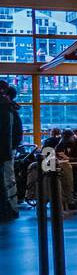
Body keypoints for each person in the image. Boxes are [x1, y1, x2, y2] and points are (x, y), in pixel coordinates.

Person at [0, 81, 17, 220]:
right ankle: (9, 208)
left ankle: (8, 209)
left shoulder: (4, 107)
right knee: (6, 180)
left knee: (5, 179)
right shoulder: (9, 108)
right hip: (6, 150)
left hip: (4, 150)